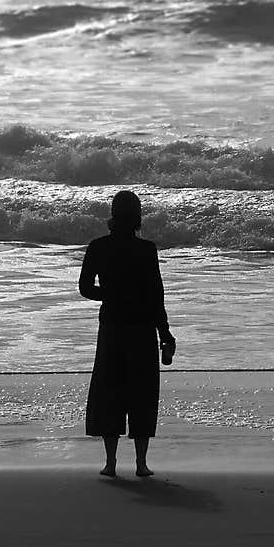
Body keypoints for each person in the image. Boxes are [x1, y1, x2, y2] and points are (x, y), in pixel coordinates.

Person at [78, 190, 175, 478]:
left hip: (111, 326)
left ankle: (110, 464)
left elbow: (85, 288)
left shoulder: (98, 247)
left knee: (110, 392)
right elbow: (157, 296)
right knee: (142, 393)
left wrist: (109, 294)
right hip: (142, 327)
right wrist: (165, 333)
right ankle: (141, 464)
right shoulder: (147, 250)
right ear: (137, 217)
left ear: (113, 215)